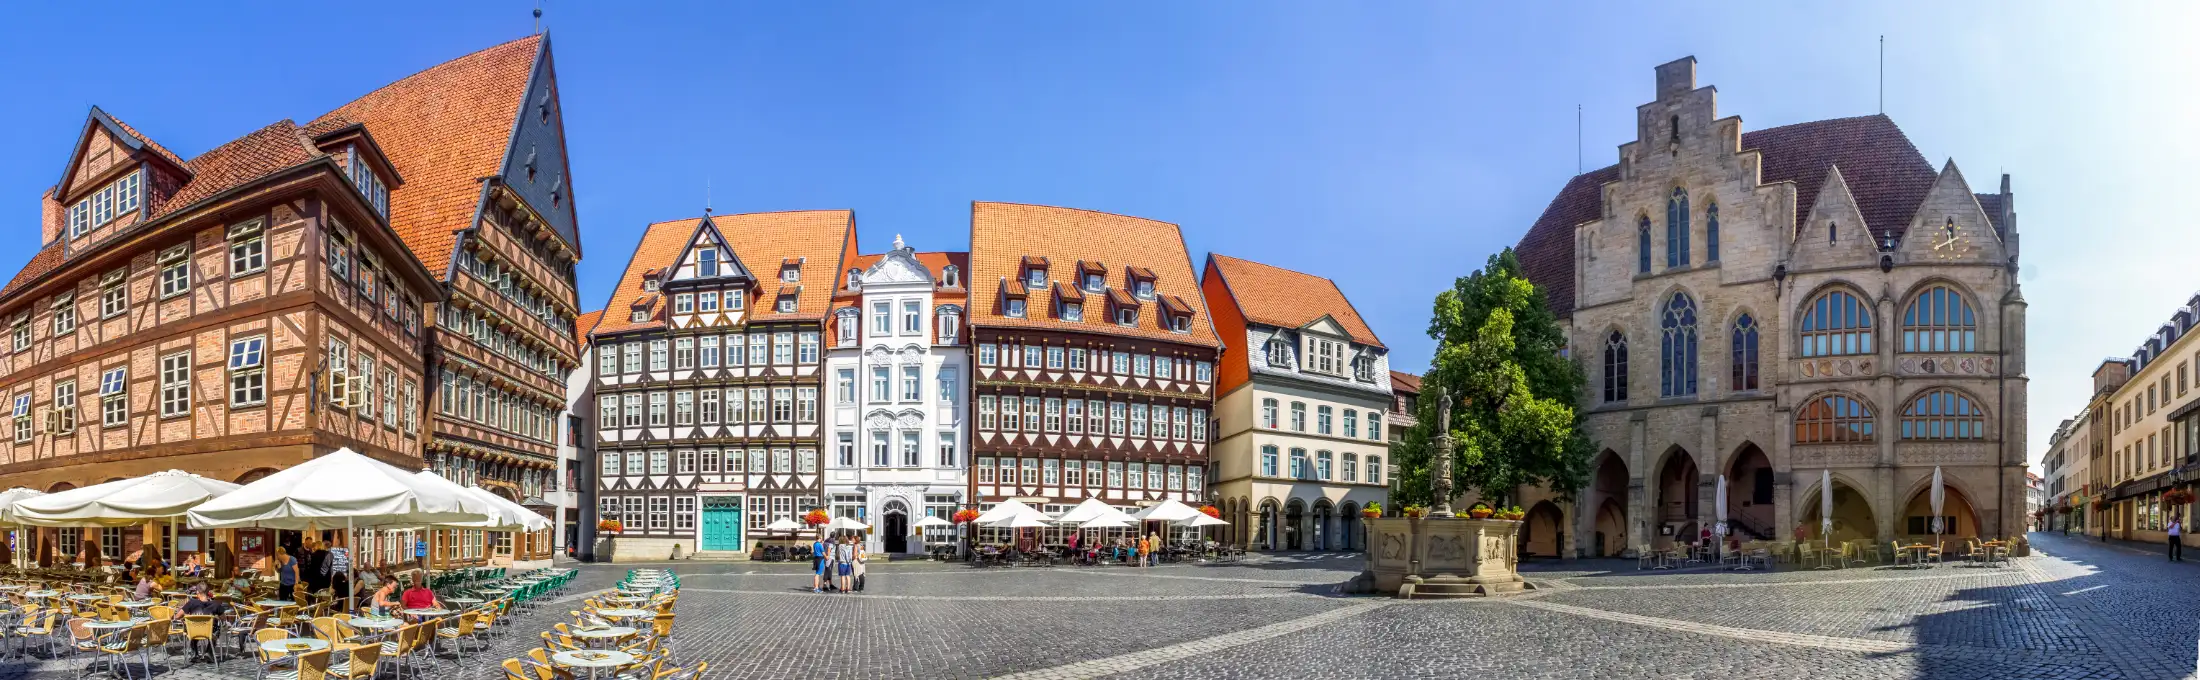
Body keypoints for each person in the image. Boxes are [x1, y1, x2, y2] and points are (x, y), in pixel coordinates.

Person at [179, 585, 232, 661]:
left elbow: (177, 616)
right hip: (209, 633)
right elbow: (223, 619)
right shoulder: (216, 604)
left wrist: (186, 617)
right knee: (218, 627)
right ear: (208, 593)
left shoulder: (191, 603)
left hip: (193, 632)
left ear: (197, 592)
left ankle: (194, 653)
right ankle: (209, 651)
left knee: (192, 626)